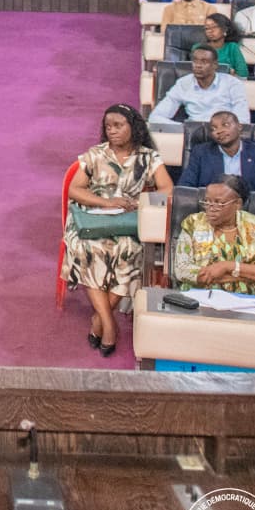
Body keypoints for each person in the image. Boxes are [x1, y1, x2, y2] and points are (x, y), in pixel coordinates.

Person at [64, 105, 173, 356]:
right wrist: (106, 202)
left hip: (129, 219)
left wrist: (138, 201)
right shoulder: (95, 155)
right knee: (87, 249)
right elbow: (75, 189)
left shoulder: (148, 157)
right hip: (93, 219)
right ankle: (108, 323)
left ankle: (99, 320)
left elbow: (168, 189)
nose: (111, 131)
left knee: (131, 250)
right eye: (108, 126)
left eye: (118, 125)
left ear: (133, 127)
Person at [171, 179, 255, 295]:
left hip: (248, 303)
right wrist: (246, 276)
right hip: (199, 299)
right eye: (207, 202)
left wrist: (229, 267)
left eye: (219, 203)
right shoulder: (193, 224)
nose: (210, 208)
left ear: (237, 204)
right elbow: (181, 270)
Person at [181, 111, 255, 199]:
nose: (219, 131)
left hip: (250, 208)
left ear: (239, 127)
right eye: (213, 129)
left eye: (225, 125)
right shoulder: (201, 152)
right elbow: (185, 186)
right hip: (212, 207)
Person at [149, 46, 250, 126]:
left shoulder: (232, 84)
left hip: (224, 134)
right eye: (195, 61)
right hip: (194, 136)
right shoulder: (183, 84)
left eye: (204, 62)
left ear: (215, 65)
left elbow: (243, 120)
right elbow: (156, 117)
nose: (198, 65)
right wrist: (184, 129)